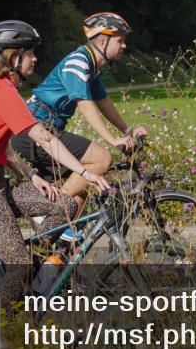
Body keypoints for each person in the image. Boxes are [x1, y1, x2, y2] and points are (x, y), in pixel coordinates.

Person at [0, 20, 111, 309]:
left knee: (65, 206)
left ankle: (36, 272)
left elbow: (4, 147)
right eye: (30, 52)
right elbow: (43, 138)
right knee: (19, 263)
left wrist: (31, 174)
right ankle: (0, 324)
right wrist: (85, 171)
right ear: (14, 56)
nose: (35, 58)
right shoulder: (0, 90)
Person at [9, 12, 147, 238]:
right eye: (120, 40)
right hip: (33, 130)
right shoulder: (78, 62)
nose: (124, 45)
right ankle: (51, 216)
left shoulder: (92, 67)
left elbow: (103, 102)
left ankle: (54, 245)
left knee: (80, 192)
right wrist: (112, 140)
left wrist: (128, 131)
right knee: (101, 159)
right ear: (102, 41)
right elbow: (84, 104)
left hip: (46, 128)